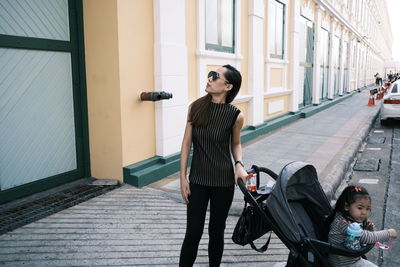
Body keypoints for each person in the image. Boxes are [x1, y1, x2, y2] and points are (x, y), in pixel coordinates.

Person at [179, 65, 248, 267]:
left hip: (223, 182)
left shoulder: (236, 115)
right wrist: (183, 177)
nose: (208, 79)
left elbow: (235, 144)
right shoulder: (196, 107)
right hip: (198, 180)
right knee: (193, 233)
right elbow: (186, 144)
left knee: (216, 232)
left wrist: (239, 165)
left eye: (214, 76)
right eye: (209, 75)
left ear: (227, 86)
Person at [325, 185, 397, 267]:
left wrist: (368, 230)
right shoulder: (343, 223)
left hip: (350, 259)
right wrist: (389, 233)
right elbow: (366, 237)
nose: (364, 212)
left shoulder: (345, 217)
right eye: (360, 208)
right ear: (346, 206)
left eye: (367, 208)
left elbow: (359, 238)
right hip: (345, 264)